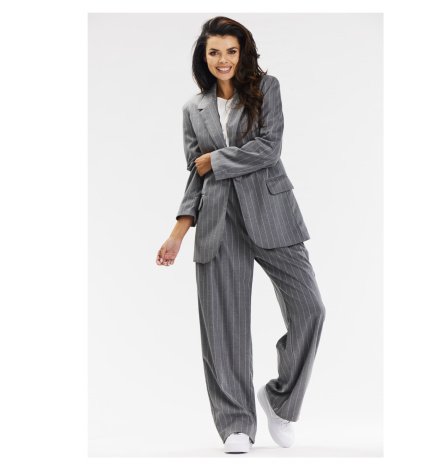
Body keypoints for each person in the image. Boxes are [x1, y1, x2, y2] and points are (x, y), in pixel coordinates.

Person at [156, 16, 326, 454]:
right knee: (224, 326)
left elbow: (270, 147)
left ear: (242, 52)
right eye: (214, 52)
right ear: (204, 56)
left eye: (230, 51)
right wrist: (178, 232)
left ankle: (281, 400)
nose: (223, 60)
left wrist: (217, 160)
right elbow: (196, 175)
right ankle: (235, 423)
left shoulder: (267, 89)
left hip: (272, 212)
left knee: (310, 309)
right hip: (218, 220)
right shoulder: (193, 109)